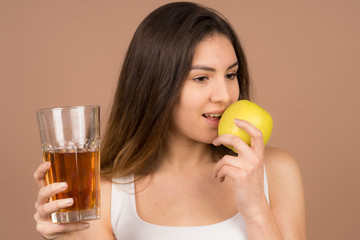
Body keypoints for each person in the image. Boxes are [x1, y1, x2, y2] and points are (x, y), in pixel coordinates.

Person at [33, 2, 306, 239]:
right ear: (156, 86)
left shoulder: (276, 171)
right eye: (201, 78)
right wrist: (64, 239)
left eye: (231, 75)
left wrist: (257, 207)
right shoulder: (102, 193)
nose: (224, 96)